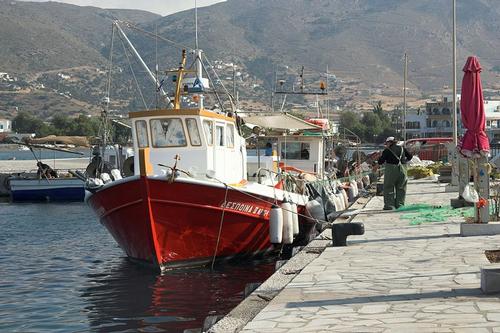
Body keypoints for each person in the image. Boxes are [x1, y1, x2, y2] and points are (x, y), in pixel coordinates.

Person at [377, 137, 413, 210]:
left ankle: (390, 206)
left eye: (386, 143)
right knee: (401, 187)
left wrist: (379, 157)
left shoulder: (387, 150)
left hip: (391, 170)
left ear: (390, 142)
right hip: (402, 169)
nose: (386, 145)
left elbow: (380, 161)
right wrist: (404, 161)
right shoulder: (402, 148)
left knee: (389, 187)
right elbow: (410, 156)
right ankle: (400, 205)